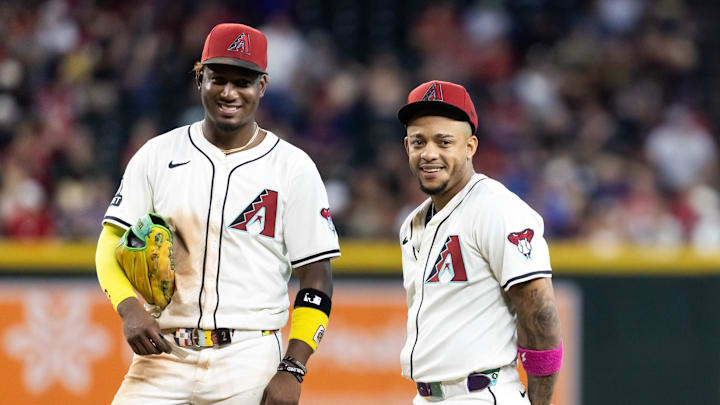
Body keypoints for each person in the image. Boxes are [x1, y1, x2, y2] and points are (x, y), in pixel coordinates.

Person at [95, 23, 339, 405]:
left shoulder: (293, 168)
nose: (229, 92)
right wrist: (129, 310)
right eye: (218, 78)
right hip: (165, 352)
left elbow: (317, 278)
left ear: (262, 86)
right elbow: (109, 242)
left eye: (243, 81)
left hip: (249, 354)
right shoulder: (157, 155)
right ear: (199, 78)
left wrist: (293, 366)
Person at [396, 80, 562, 405]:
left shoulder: (496, 208)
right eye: (419, 142)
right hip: (428, 396)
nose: (429, 153)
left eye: (444, 142)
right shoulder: (412, 223)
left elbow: (540, 315)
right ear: (407, 148)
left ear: (470, 147)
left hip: (482, 394)